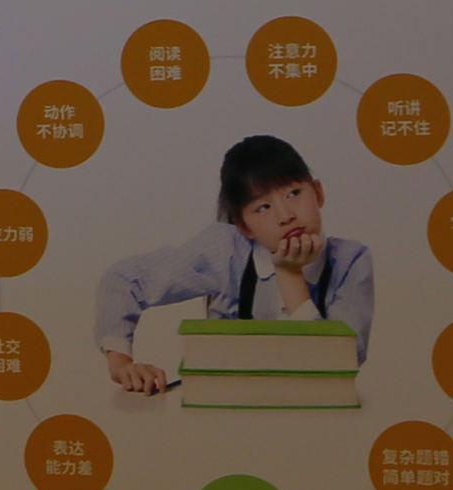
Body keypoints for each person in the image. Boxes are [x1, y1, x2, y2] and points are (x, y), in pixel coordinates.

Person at [95, 133, 374, 393]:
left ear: (319, 192)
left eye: (293, 193)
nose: (285, 215)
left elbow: (341, 363)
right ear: (244, 226)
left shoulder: (350, 260)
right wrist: (121, 364)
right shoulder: (227, 249)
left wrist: (290, 274)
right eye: (263, 207)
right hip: (223, 410)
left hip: (315, 416)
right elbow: (124, 279)